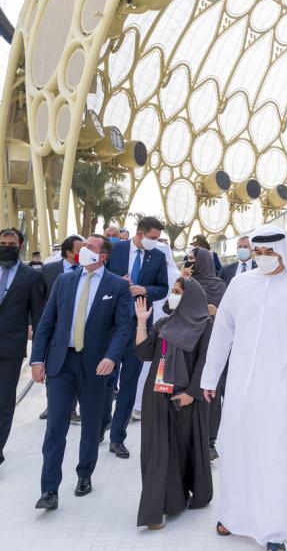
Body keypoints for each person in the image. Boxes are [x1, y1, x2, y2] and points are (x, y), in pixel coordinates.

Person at [200, 224, 287, 549]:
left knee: (273, 459)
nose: (264, 257)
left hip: (280, 392)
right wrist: (210, 378)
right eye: (259, 252)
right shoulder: (241, 285)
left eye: (270, 252)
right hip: (240, 389)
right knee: (236, 453)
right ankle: (231, 517)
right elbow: (222, 333)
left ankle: (273, 532)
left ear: (283, 250)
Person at [31, 235, 132, 510]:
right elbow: (46, 322)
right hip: (61, 363)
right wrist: (37, 359)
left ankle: (84, 474)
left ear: (103, 257)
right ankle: (49, 490)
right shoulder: (65, 281)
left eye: (91, 248)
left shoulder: (117, 286)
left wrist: (112, 357)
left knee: (90, 425)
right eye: (83, 246)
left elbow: (124, 327)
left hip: (95, 365)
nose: (84, 250)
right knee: (55, 427)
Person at [134, 280, 213, 529]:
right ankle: (158, 509)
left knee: (181, 449)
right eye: (173, 292)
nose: (174, 296)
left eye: (179, 292)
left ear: (191, 297)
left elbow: (206, 360)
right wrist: (141, 322)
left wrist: (192, 393)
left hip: (185, 398)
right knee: (157, 451)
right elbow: (144, 353)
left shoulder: (206, 325)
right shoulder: (163, 323)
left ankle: (179, 497)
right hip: (156, 395)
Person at [103, 216, 168, 459]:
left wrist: (145, 290)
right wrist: (117, 284)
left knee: (129, 384)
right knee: (106, 380)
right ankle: (101, 425)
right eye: (152, 238)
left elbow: (162, 287)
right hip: (110, 326)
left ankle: (117, 437)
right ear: (139, 234)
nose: (156, 242)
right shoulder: (115, 249)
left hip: (138, 328)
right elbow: (99, 278)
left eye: (158, 239)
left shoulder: (158, 257)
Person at [0, 228, 44, 466]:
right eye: (2, 242)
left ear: (20, 246)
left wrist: (38, 356)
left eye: (11, 243)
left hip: (10, 350)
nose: (6, 246)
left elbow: (38, 318)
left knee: (4, 401)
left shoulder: (31, 276)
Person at [38, 235, 85, 423]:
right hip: (52, 330)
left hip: (76, 331)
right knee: (53, 369)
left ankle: (70, 409)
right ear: (69, 253)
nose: (86, 255)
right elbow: (38, 298)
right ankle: (53, 405)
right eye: (81, 251)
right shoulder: (49, 270)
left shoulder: (87, 270)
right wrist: (33, 324)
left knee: (71, 368)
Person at [132, 237, 180, 421]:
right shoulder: (176, 275)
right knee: (163, 367)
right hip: (167, 329)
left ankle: (139, 404)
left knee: (144, 366)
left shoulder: (147, 274)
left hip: (147, 325)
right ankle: (159, 405)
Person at [185, 247, 227, 460]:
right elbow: (169, 308)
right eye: (188, 259)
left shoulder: (220, 286)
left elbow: (232, 315)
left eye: (193, 259)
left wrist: (217, 312)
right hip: (188, 344)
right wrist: (182, 283)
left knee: (212, 392)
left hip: (213, 344)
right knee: (188, 388)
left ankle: (209, 441)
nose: (190, 263)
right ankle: (190, 439)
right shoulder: (186, 282)